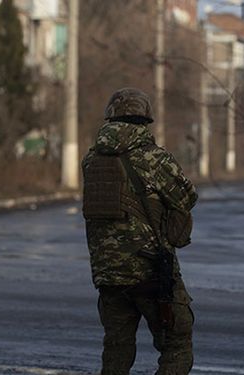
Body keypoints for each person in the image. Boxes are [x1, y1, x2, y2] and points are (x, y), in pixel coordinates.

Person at [81, 87, 197, 374]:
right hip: (150, 270)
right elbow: (187, 197)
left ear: (110, 117)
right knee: (177, 345)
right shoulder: (154, 159)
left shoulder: (91, 160)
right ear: (145, 119)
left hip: (108, 274)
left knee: (116, 350)